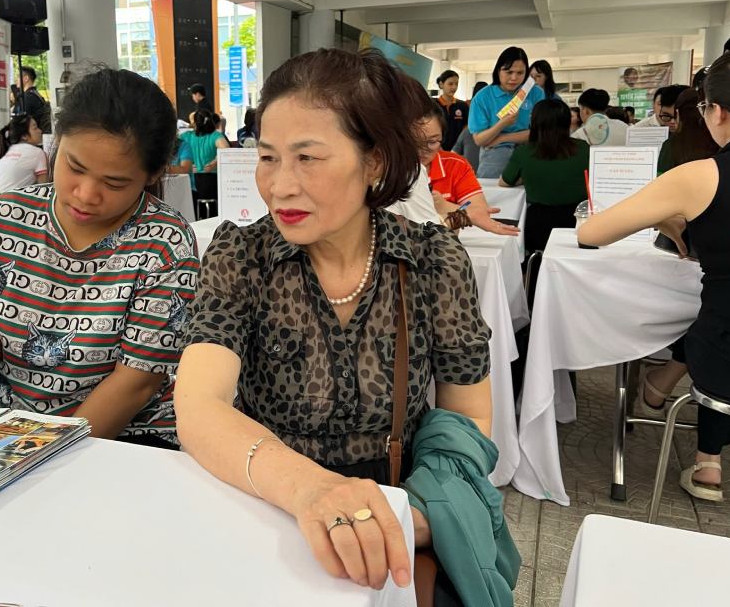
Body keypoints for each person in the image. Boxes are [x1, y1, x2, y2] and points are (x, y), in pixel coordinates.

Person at [175, 48, 515, 600]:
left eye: (308, 158)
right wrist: (311, 492)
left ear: (375, 162)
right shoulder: (242, 257)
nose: (280, 185)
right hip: (262, 506)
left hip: (395, 525)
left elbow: (468, 420)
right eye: (267, 157)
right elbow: (198, 406)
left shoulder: (431, 262)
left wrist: (416, 518)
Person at [0, 68, 200, 450]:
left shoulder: (164, 242)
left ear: (152, 174)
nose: (86, 194)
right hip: (13, 430)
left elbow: (136, 382)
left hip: (126, 440)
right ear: (56, 143)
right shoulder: (7, 215)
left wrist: (43, 452)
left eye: (114, 183)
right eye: (74, 167)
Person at [578, 49, 730, 502]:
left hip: (726, 357)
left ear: (718, 112)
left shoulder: (700, 176)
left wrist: (663, 218)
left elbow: (592, 232)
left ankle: (704, 457)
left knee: (709, 322)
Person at [500, 99, 590, 252]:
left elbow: (505, 182)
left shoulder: (524, 151)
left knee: (535, 260)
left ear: (534, 122)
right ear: (567, 122)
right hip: (578, 222)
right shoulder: (583, 148)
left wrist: (526, 176)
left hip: (538, 225)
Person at [418, 102, 518, 237]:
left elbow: (478, 211)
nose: (423, 150)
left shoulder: (456, 166)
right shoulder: (388, 168)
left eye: (432, 142)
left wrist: (445, 206)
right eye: (414, 142)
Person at [469, 46, 546, 177]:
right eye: (509, 72)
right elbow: (479, 140)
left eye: (520, 73)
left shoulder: (535, 93)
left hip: (529, 151)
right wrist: (502, 124)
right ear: (498, 70)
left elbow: (541, 132)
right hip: (494, 156)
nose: (514, 78)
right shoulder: (483, 97)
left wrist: (501, 138)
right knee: (493, 194)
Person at [0, 114, 48, 202]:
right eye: (35, 128)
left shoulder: (13, 148)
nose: (40, 131)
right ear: (24, 136)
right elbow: (44, 187)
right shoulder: (37, 152)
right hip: (5, 201)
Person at [657, 88, 717, 174]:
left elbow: (661, 180)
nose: (672, 122)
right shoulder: (718, 141)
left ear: (677, 113)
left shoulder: (670, 146)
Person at [183, 108, 229, 172]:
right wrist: (214, 162)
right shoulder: (215, 136)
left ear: (195, 123)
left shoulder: (187, 136)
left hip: (192, 176)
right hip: (212, 176)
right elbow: (227, 151)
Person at [434, 69, 468, 150]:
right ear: (441, 84)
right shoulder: (433, 105)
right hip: (437, 148)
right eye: (450, 84)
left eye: (456, 84)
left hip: (458, 150)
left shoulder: (462, 106)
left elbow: (466, 128)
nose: (454, 87)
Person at [14, 66, 52, 134]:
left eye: (18, 77)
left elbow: (22, 122)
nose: (16, 80)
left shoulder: (27, 97)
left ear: (26, 78)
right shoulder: (37, 95)